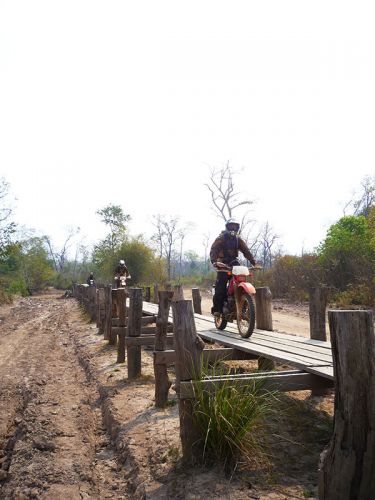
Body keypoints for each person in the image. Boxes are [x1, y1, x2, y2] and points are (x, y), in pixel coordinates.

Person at [210, 219, 257, 316]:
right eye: (231, 226)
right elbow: (214, 249)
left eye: (235, 227)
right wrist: (215, 262)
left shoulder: (237, 239)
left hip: (234, 262)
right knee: (221, 285)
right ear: (227, 227)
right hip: (223, 263)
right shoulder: (221, 238)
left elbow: (246, 251)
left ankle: (242, 303)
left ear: (238, 228)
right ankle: (217, 309)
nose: (233, 228)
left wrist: (254, 262)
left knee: (241, 279)